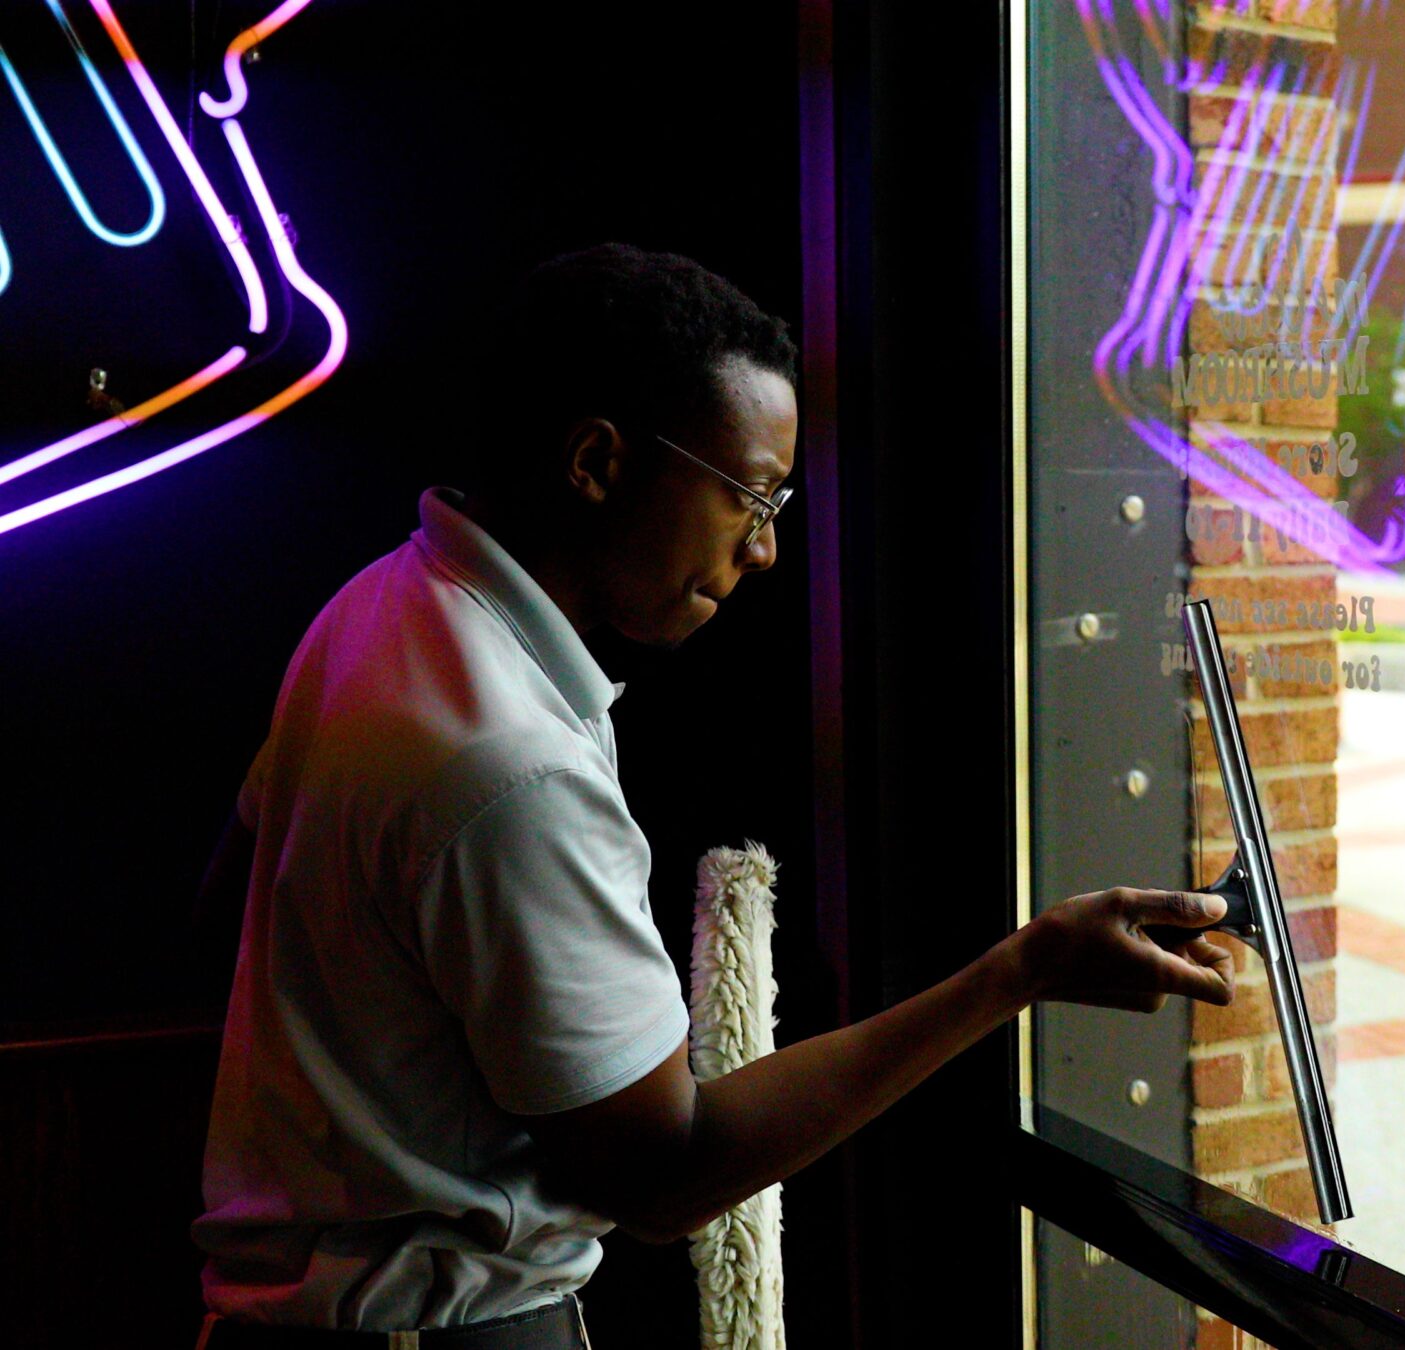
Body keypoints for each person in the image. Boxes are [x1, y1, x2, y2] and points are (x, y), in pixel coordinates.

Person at [188, 243, 1236, 1348]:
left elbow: (235, 903)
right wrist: (1023, 969)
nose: (769, 548)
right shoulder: (510, 762)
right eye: (750, 494)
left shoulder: (377, 611)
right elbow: (667, 1177)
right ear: (596, 461)